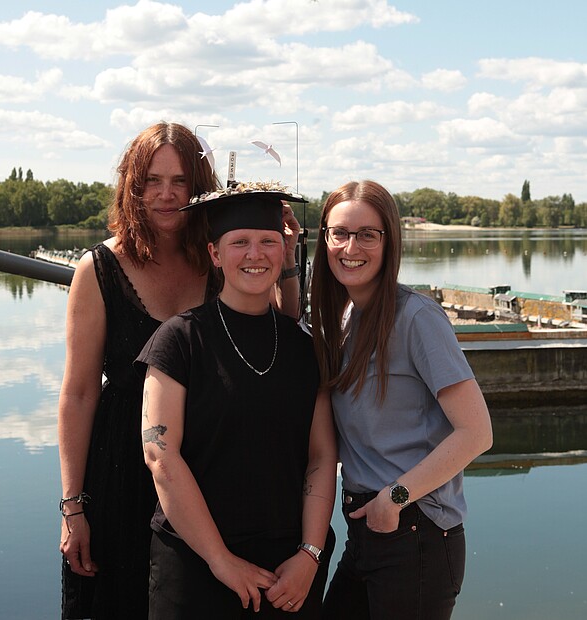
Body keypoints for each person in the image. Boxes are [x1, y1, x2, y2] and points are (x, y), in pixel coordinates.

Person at [58, 124, 303, 619]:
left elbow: (280, 332)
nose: (167, 194)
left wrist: (289, 257)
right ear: (133, 187)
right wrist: (72, 506)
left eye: (180, 181)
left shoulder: (217, 259)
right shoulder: (99, 268)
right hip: (121, 468)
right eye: (152, 180)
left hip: (205, 467)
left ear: (199, 187)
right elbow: (79, 394)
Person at [135, 183, 337, 619]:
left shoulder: (306, 350)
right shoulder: (180, 340)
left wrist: (311, 554)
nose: (255, 254)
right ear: (214, 254)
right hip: (195, 565)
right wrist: (220, 560)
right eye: (239, 242)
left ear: (283, 251)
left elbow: (321, 457)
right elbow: (160, 454)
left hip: (288, 571)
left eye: (268, 241)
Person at [310, 180, 493, 620]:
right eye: (340, 233)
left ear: (389, 241)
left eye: (367, 234)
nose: (351, 247)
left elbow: (476, 433)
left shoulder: (417, 318)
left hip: (415, 530)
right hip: (367, 531)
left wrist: (394, 498)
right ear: (324, 239)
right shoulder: (345, 318)